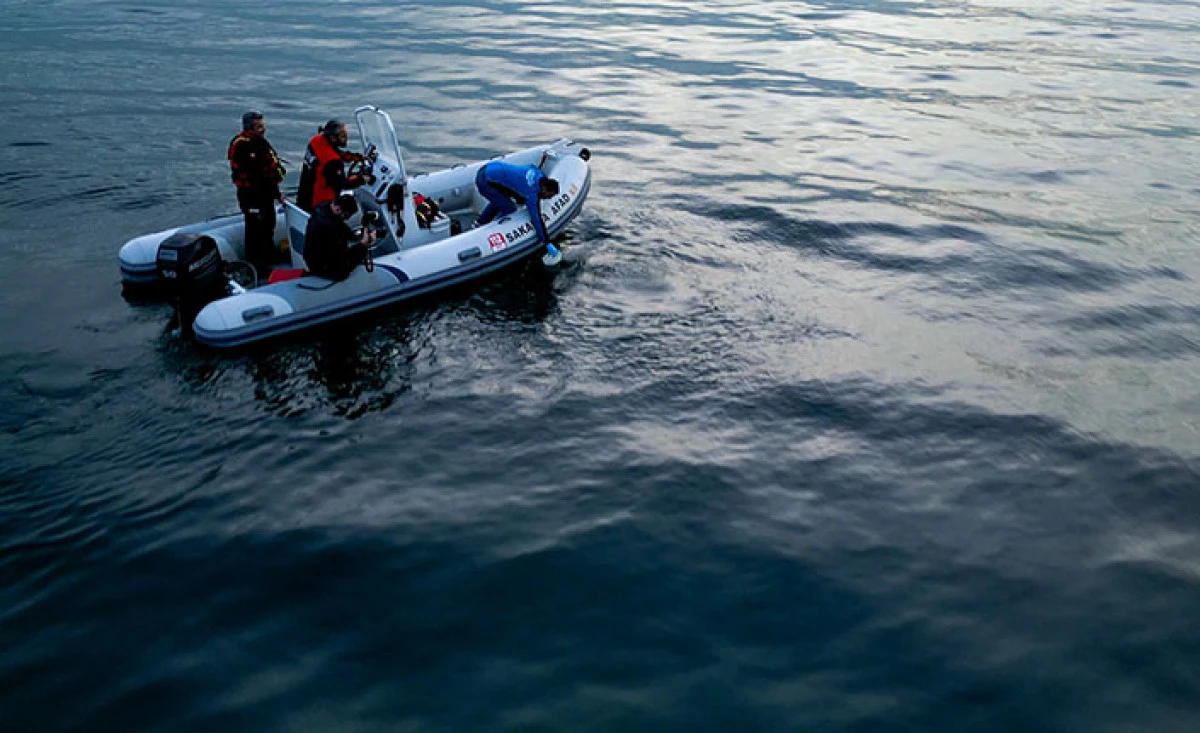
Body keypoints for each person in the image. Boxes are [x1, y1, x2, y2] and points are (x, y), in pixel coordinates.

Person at [227, 110, 286, 279]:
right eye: (259, 126)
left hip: (265, 194)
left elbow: (268, 171)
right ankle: (256, 264)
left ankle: (268, 255)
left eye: (263, 125)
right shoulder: (242, 145)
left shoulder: (259, 142)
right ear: (250, 128)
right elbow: (258, 173)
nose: (263, 129)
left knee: (269, 223)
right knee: (255, 229)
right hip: (251, 195)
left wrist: (276, 193)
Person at [473, 160, 561, 258]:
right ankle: (490, 231)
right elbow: (537, 219)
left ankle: (480, 222)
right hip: (485, 181)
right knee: (509, 209)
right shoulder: (531, 195)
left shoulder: (537, 173)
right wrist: (546, 242)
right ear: (544, 189)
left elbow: (531, 166)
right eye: (550, 195)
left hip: (489, 168)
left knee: (502, 200)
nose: (549, 198)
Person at [297, 119, 374, 213]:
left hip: (304, 198)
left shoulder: (316, 141)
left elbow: (334, 152)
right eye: (342, 136)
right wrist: (363, 179)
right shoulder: (333, 161)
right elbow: (343, 184)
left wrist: (356, 157)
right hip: (321, 205)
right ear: (333, 138)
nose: (346, 138)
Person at [304, 192, 376, 281]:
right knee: (360, 251)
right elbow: (339, 259)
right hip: (326, 268)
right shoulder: (330, 227)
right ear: (338, 210)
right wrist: (362, 245)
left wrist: (355, 235)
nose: (346, 219)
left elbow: (341, 227)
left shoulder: (323, 211)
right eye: (346, 216)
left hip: (314, 260)